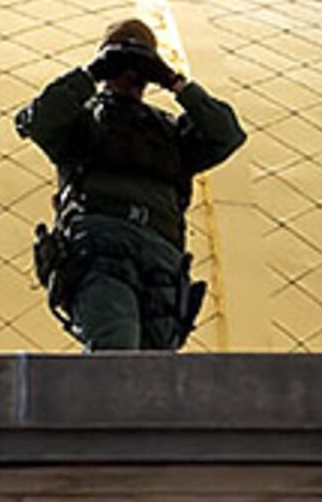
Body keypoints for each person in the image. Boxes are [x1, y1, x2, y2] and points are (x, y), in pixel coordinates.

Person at [15, 18, 245, 352]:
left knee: (155, 373)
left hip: (161, 261)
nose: (131, 74)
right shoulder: (82, 123)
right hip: (102, 250)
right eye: (123, 63)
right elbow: (37, 120)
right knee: (115, 352)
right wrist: (92, 74)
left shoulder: (170, 132)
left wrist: (174, 83)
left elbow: (226, 134)